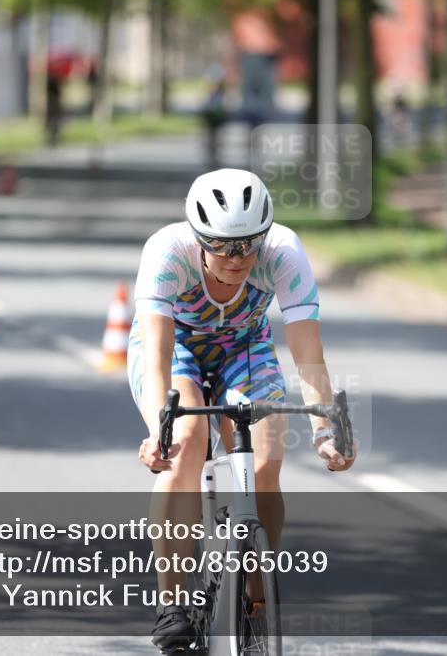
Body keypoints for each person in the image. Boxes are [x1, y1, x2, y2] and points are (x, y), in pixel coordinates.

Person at [130, 168, 357, 649]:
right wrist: (159, 431)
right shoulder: (167, 253)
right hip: (179, 349)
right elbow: (157, 358)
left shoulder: (284, 253)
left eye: (249, 245)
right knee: (186, 443)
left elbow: (308, 353)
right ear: (198, 238)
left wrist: (324, 430)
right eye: (222, 245)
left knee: (268, 456)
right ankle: (172, 601)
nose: (237, 258)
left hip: (244, 347)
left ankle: (258, 595)